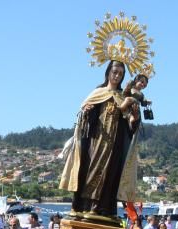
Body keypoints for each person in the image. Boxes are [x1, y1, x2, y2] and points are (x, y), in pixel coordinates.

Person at [60, 59, 140, 217]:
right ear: (108, 72)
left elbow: (130, 126)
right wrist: (87, 111)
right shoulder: (98, 93)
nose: (117, 76)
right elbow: (83, 117)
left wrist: (135, 118)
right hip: (96, 141)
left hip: (114, 145)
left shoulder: (124, 97)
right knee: (91, 171)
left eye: (121, 74)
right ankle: (85, 206)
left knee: (110, 175)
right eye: (115, 72)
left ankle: (103, 209)